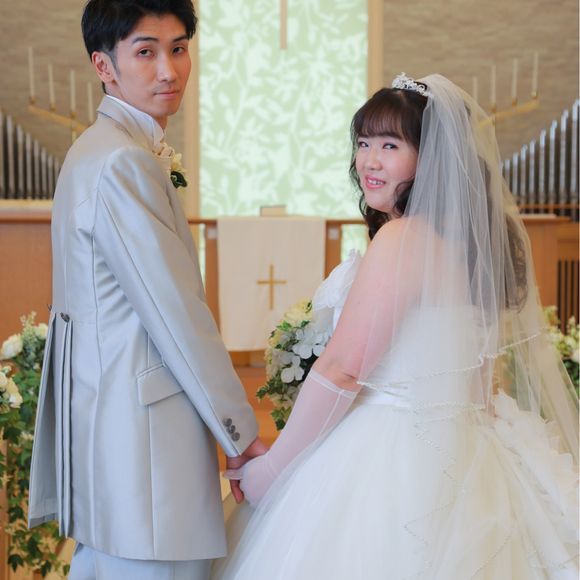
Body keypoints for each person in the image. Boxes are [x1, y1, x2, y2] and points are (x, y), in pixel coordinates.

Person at [214, 74, 579, 579]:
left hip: (390, 452)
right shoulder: (475, 252)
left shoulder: (403, 239)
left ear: (433, 159)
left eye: (390, 145)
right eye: (364, 143)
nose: (369, 160)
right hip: (471, 449)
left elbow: (343, 369)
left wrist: (274, 470)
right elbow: (480, 382)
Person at [27, 1, 266, 579]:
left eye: (178, 49)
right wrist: (240, 434)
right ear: (103, 65)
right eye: (145, 52)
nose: (169, 70)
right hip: (146, 453)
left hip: (112, 442)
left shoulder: (97, 147)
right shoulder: (122, 162)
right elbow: (176, 316)